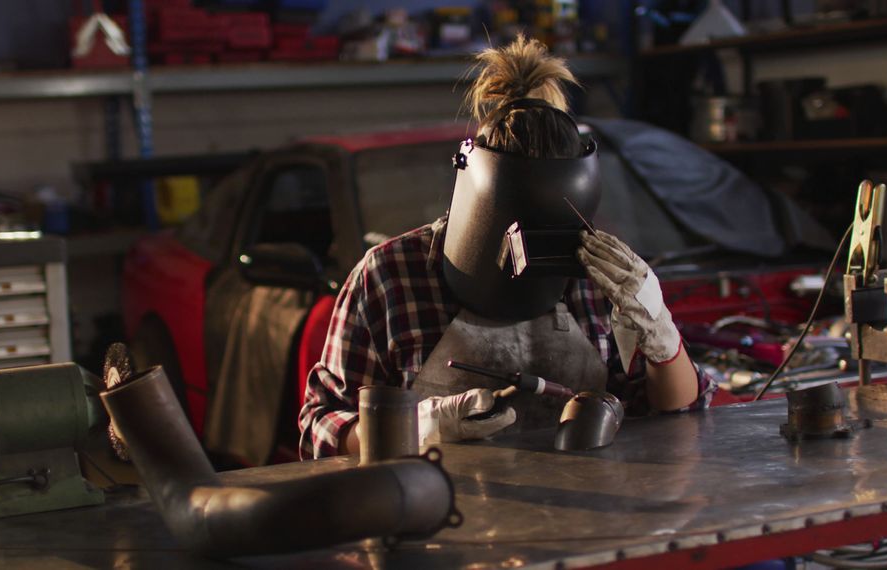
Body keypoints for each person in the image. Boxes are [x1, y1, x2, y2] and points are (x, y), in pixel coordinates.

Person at [299, 36, 715, 459]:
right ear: (480, 199)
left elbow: (677, 411)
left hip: (588, 512)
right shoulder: (389, 276)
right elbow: (321, 427)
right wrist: (420, 427)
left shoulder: (599, 276)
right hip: (435, 513)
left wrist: (662, 337)